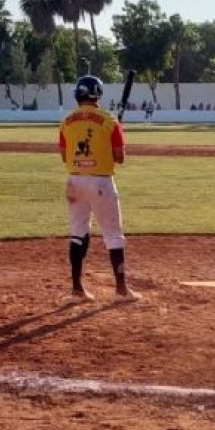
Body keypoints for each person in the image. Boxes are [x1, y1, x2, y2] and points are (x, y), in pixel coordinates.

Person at [58, 76, 140, 302]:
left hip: (75, 181)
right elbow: (119, 157)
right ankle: (121, 290)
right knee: (113, 234)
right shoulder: (109, 120)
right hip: (101, 182)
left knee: (77, 233)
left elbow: (64, 155)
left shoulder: (66, 121)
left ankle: (77, 290)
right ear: (97, 93)